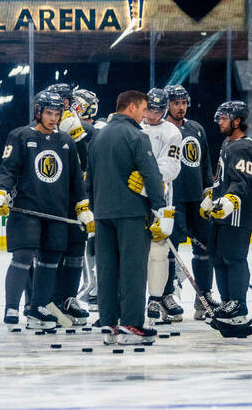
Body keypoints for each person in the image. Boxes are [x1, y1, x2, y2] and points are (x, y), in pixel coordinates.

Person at [0, 90, 85, 331]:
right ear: (38, 112)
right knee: (23, 256)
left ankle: (38, 307)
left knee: (51, 258)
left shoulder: (65, 141)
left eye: (57, 114)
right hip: (26, 210)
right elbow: (9, 169)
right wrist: (2, 191)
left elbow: (75, 180)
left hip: (57, 213)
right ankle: (11, 306)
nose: (54, 118)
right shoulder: (20, 136)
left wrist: (82, 207)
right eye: (50, 113)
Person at [88, 90, 169, 345]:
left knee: (107, 269)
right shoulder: (136, 136)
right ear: (132, 107)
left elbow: (88, 179)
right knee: (132, 270)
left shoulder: (98, 138)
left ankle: (109, 323)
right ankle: (132, 325)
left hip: (102, 213)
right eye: (144, 108)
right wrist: (160, 208)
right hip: (132, 214)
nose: (145, 114)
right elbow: (151, 174)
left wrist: (94, 208)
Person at [203, 100, 252, 325]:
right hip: (222, 212)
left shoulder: (243, 146)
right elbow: (223, 179)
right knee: (218, 256)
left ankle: (238, 304)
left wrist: (230, 199)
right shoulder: (228, 144)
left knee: (234, 257)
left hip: (237, 213)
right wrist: (211, 195)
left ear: (237, 121)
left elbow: (242, 181)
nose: (219, 122)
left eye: (224, 118)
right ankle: (227, 301)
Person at [162, 84, 216, 320]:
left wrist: (208, 191)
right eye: (176, 103)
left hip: (197, 201)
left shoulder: (196, 129)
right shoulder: (161, 130)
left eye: (184, 103)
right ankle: (165, 296)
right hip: (173, 201)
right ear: (167, 105)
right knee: (168, 252)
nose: (181, 107)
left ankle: (203, 297)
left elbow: (205, 165)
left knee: (204, 249)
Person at [49, 87, 98, 327]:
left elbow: (90, 162)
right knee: (51, 251)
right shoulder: (38, 132)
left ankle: (66, 298)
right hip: (55, 198)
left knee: (75, 250)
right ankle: (44, 301)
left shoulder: (87, 130)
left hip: (79, 197)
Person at [141, 88, 184, 325]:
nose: (152, 114)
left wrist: (145, 178)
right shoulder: (135, 127)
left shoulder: (171, 132)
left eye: (157, 110)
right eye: (148, 108)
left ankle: (155, 299)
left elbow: (171, 167)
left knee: (158, 252)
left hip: (160, 199)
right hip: (133, 199)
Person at [71, 89, 104, 312]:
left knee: (89, 243)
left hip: (91, 194)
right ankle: (94, 288)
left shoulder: (92, 128)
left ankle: (93, 288)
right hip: (91, 194)